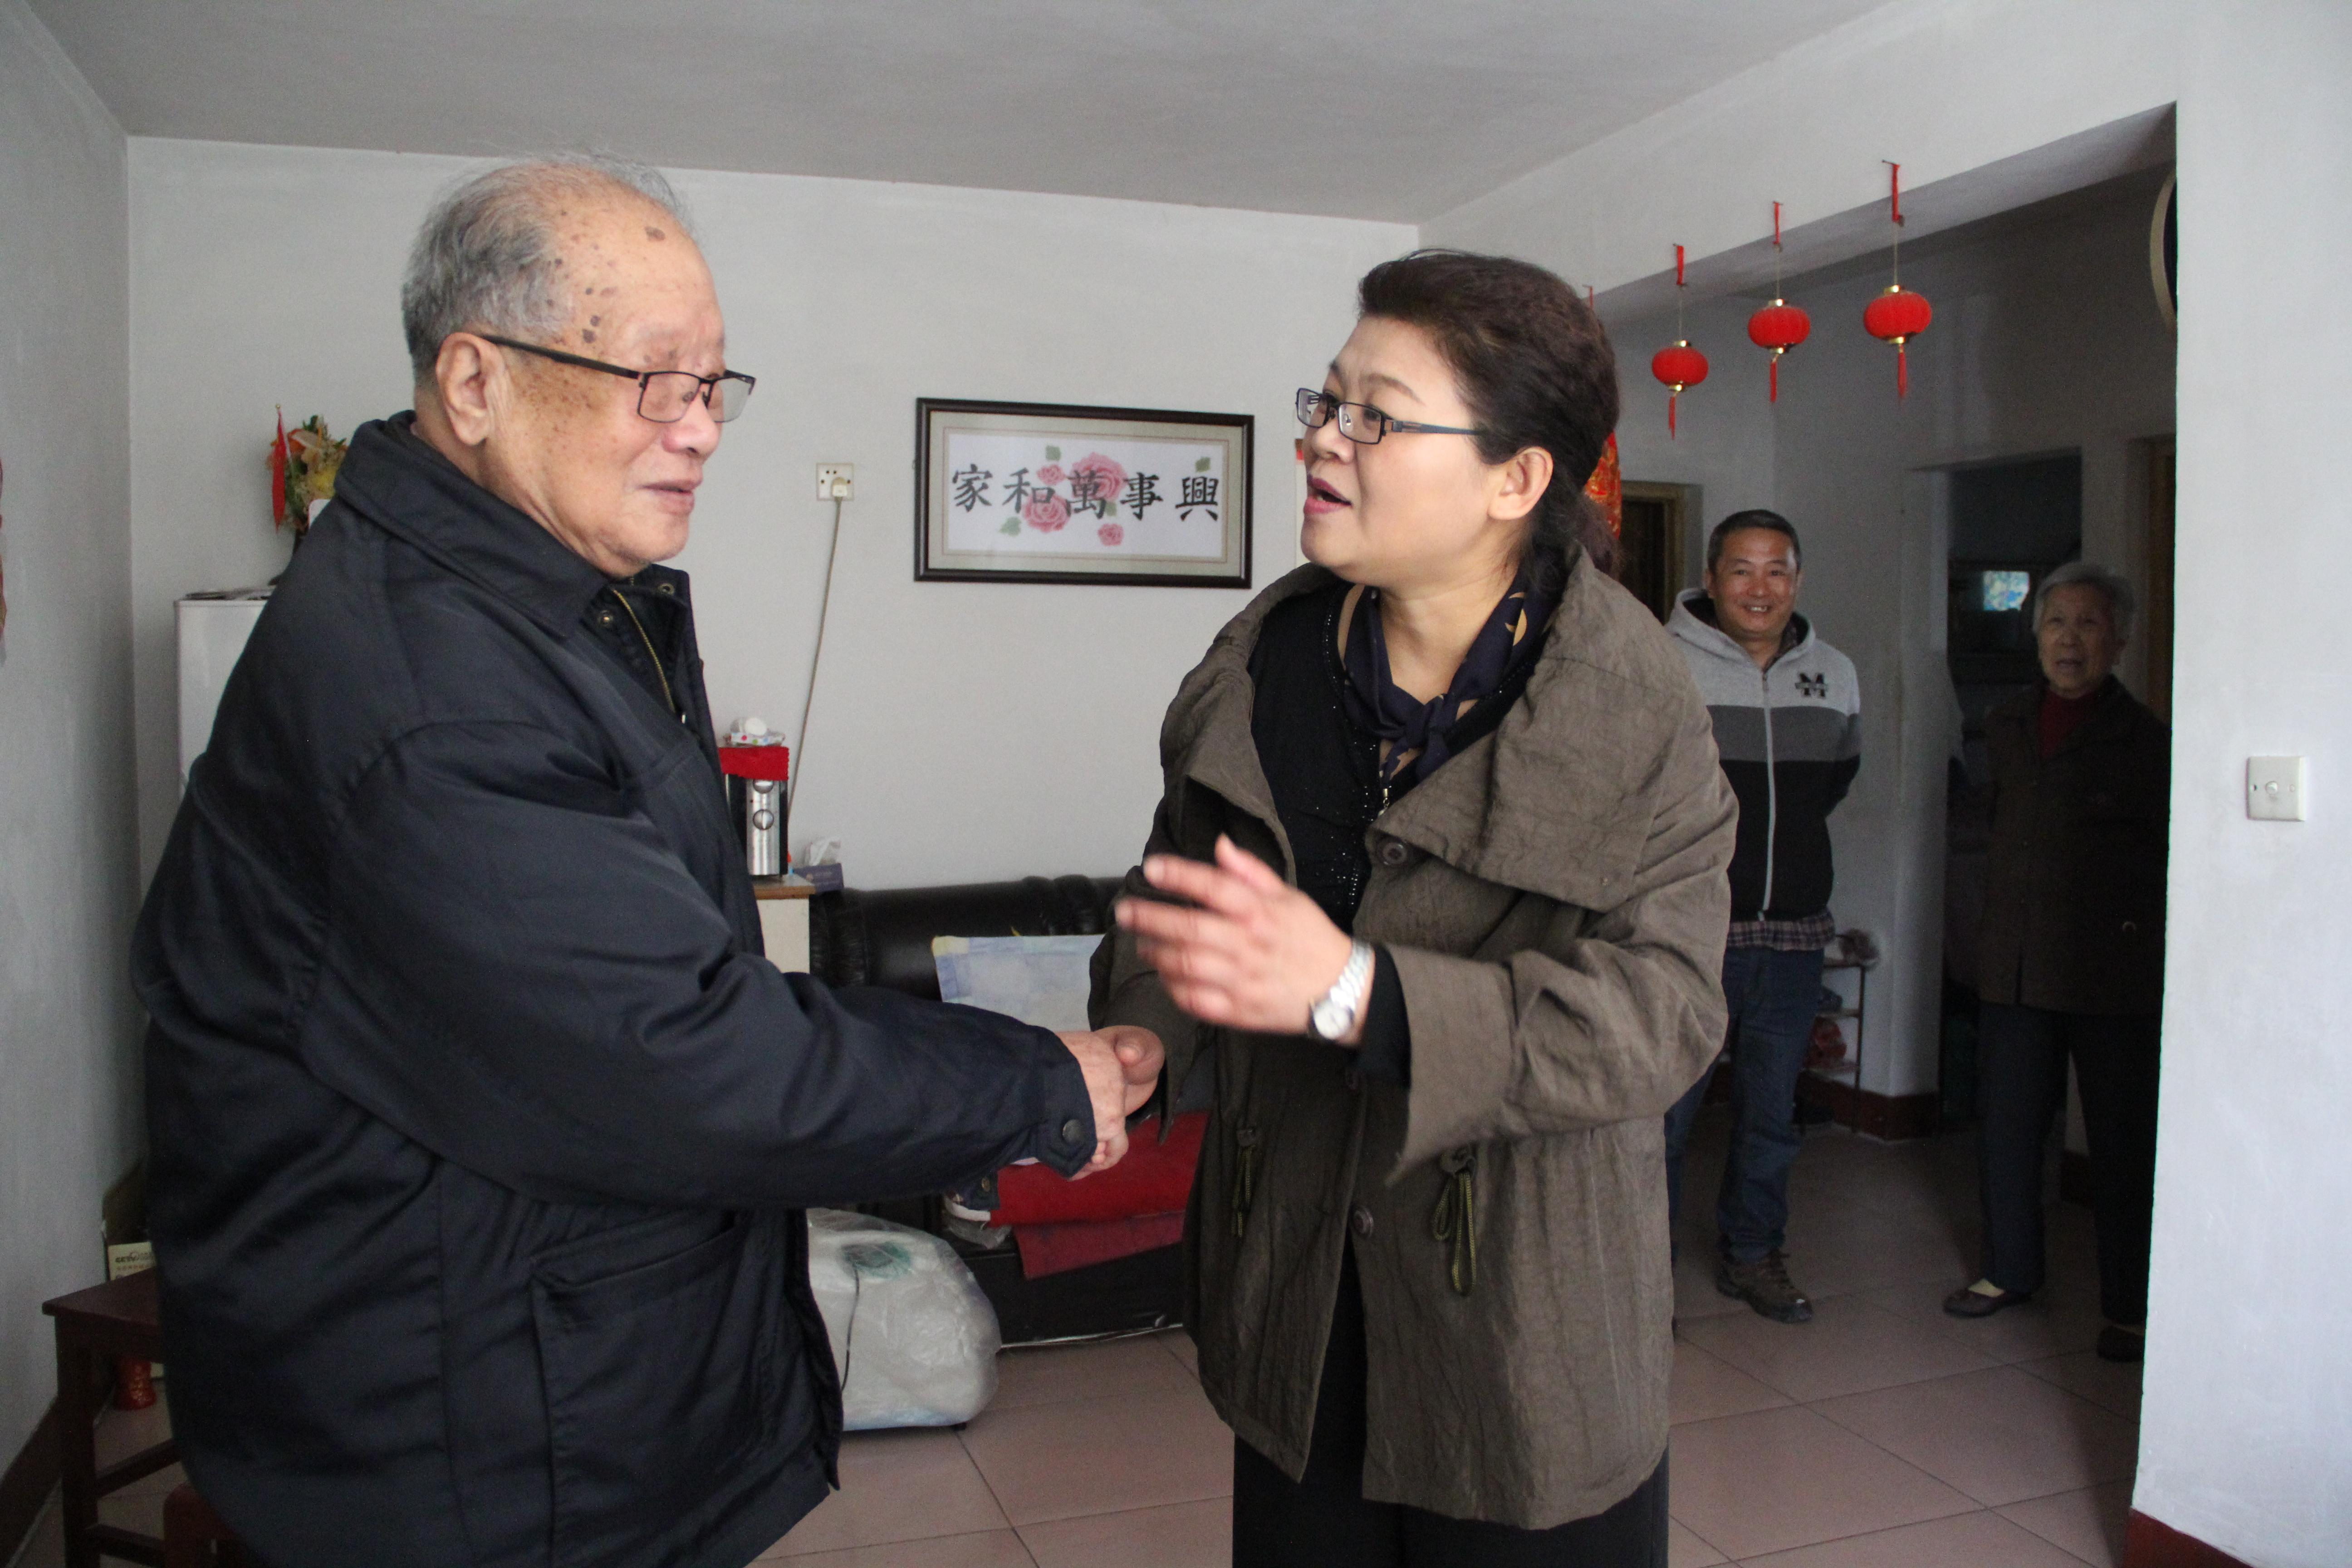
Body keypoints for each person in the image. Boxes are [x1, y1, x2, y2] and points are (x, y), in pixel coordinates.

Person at [132, 156, 1161, 1568]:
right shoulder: (433, 697)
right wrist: (1036, 1084)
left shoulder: (535, 605)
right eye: (654, 381)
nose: (701, 429)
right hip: (473, 1443)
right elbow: (686, 1057)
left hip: (532, 1374)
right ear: (476, 382)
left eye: (715, 386)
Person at [1092, 250, 1736, 1567]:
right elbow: (1172, 889)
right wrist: (1149, 1031)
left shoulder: (1635, 709)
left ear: (1517, 479)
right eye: (1327, 402)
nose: (1324, 440)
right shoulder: (1261, 666)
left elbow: (1663, 1016)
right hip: (1296, 1292)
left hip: (1524, 1325)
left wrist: (1359, 995)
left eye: (1377, 417)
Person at [1943, 561, 2166, 1364]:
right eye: (2056, 623)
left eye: (2089, 623)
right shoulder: (2006, 724)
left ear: (2120, 640)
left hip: (2112, 973)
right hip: (2016, 964)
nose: (2070, 641)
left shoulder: (2147, 741)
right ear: (2037, 635)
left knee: (2121, 1140)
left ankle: (2130, 1304)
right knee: (2007, 1125)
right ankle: (2009, 1270)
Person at [1660, 513, 1862, 1323]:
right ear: (1711, 579)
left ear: (1798, 580)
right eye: (1741, 570)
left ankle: (1753, 1255)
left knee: (1772, 1114)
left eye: (1777, 570)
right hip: (1692, 930)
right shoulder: (1663, 663)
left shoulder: (1836, 674)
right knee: (1666, 1112)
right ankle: (1643, 1275)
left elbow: (1835, 781)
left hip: (1794, 934)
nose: (1760, 587)